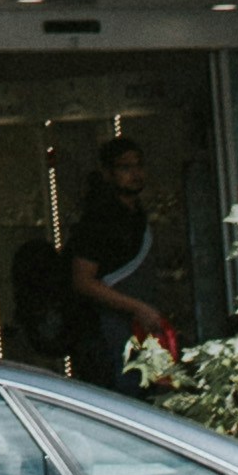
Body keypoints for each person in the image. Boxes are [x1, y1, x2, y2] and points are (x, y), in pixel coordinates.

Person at [65, 136, 179, 391]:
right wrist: (136, 307)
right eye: (125, 168)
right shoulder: (98, 220)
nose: (135, 174)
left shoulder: (136, 213)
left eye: (138, 166)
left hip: (139, 330)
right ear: (108, 173)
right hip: (106, 334)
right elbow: (82, 281)